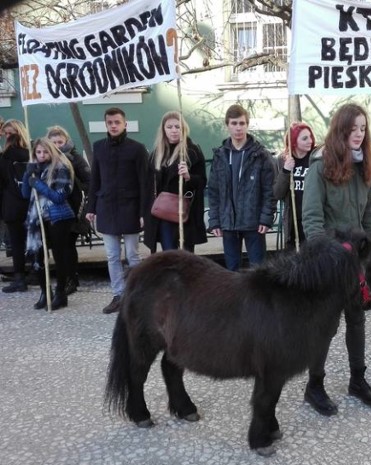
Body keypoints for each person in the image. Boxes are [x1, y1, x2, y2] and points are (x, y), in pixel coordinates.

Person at [301, 102, 371, 415]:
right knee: (326, 324)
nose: (359, 134)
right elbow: (311, 219)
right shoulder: (320, 168)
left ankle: (357, 380)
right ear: (340, 130)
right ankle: (314, 385)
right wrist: (329, 257)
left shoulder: (366, 169)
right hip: (331, 261)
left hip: (358, 262)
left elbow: (370, 217)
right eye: (353, 128)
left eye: (363, 128)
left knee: (357, 320)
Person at [86, 107, 148, 314]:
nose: (113, 126)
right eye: (110, 123)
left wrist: (143, 212)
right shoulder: (99, 148)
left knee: (133, 255)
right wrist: (91, 207)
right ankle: (118, 295)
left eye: (117, 122)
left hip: (130, 208)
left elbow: (144, 183)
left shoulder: (137, 149)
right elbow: (95, 179)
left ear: (125, 124)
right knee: (112, 256)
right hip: (107, 208)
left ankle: (137, 295)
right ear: (106, 125)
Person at [206, 104, 275, 271]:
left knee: (258, 271)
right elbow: (213, 191)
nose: (238, 128)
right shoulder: (220, 155)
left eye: (242, 123)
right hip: (228, 224)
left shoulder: (261, 155)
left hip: (254, 223)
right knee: (232, 271)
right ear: (227, 125)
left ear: (247, 124)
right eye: (234, 123)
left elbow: (269, 190)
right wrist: (214, 221)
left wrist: (266, 218)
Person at [21, 138, 75, 310]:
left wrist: (38, 184)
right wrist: (27, 174)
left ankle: (61, 294)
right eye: (38, 152)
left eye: (45, 152)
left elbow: (59, 197)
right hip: (37, 218)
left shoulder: (61, 168)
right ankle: (45, 292)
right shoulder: (34, 168)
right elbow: (24, 194)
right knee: (37, 256)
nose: (42, 155)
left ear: (51, 151)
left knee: (59, 256)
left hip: (57, 217)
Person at [143, 112, 207, 253]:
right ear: (163, 129)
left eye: (177, 127)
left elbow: (202, 182)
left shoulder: (192, 151)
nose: (173, 130)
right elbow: (148, 186)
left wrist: (188, 176)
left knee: (186, 257)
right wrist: (144, 214)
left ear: (183, 129)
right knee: (169, 254)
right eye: (169, 127)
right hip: (163, 213)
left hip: (185, 213)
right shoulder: (156, 154)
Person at [46, 125, 91, 295]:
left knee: (67, 245)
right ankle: (64, 279)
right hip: (52, 209)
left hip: (73, 208)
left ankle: (71, 279)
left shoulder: (74, 158)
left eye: (60, 141)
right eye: (53, 142)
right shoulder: (46, 158)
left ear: (66, 141)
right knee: (58, 246)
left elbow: (89, 180)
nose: (57, 145)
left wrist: (78, 193)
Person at [273, 122, 316, 250]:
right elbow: (277, 193)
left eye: (310, 137)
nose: (310, 140)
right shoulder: (283, 160)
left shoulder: (315, 159)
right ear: (294, 142)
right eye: (304, 138)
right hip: (293, 219)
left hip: (312, 218)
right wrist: (286, 171)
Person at [0, 119, 30, 293]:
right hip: (31, 204)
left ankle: (20, 278)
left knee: (17, 243)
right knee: (35, 241)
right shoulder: (31, 154)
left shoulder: (4, 157)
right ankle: (36, 272)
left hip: (12, 205)